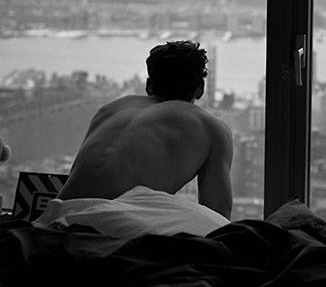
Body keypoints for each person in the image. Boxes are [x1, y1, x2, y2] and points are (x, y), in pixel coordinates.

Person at [57, 40, 234, 218]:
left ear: (149, 86)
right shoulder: (211, 127)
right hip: (111, 227)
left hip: (54, 220)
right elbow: (217, 214)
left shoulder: (110, 110)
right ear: (200, 89)